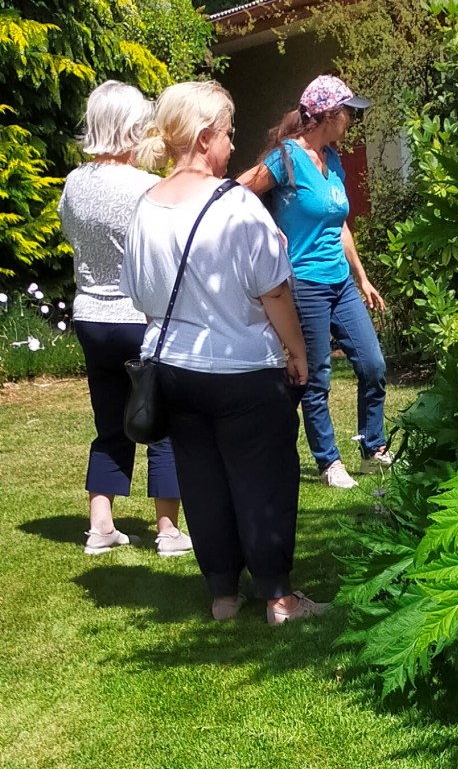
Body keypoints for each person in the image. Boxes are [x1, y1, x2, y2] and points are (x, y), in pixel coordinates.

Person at [121, 80, 326, 624]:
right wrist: (297, 349)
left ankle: (222, 596)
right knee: (263, 479)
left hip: (175, 369)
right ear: (207, 135)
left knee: (203, 480)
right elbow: (275, 289)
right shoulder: (236, 204)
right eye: (229, 133)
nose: (232, 145)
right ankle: (279, 598)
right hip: (243, 368)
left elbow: (141, 294)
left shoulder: (144, 208)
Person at [58, 80, 192, 557]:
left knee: (110, 423)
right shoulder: (146, 187)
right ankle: (168, 530)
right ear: (131, 128)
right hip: (138, 318)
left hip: (90, 318)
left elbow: (70, 232)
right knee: (159, 421)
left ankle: (100, 527)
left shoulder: (74, 183)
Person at [239, 73, 392, 489]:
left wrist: (362, 278)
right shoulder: (286, 158)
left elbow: (339, 225)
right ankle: (329, 462)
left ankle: (372, 447)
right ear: (330, 114)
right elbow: (237, 192)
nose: (351, 122)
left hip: (340, 281)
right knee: (317, 375)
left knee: (373, 365)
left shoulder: (334, 160)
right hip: (303, 281)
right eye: (348, 114)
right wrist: (269, 228)